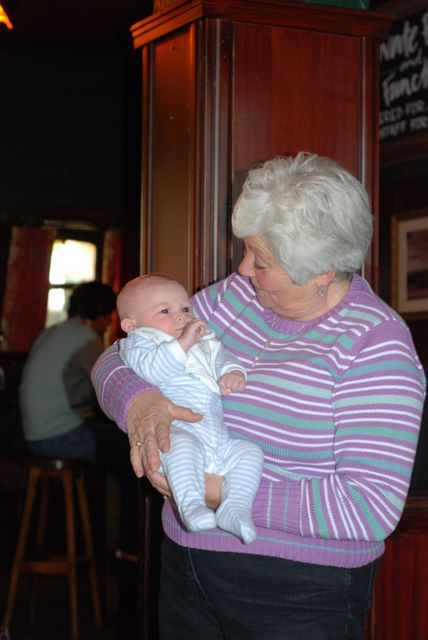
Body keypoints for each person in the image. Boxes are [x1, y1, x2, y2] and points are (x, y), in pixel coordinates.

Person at [91, 152, 426, 639]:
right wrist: (140, 403)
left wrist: (217, 491)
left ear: (322, 271)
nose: (244, 269)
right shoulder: (235, 298)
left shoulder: (375, 344)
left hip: (298, 593)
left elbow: (368, 507)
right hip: (187, 563)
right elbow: (116, 359)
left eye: (262, 261)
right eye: (247, 251)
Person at [117, 274, 264, 543]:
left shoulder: (201, 338)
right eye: (165, 311)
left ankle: (235, 506)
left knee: (249, 453)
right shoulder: (140, 342)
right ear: (131, 324)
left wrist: (231, 370)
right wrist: (183, 343)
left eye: (186, 308)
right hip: (177, 432)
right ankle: (191, 506)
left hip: (217, 439)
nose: (181, 316)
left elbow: (220, 354)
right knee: (181, 446)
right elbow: (152, 370)